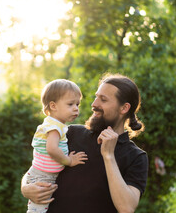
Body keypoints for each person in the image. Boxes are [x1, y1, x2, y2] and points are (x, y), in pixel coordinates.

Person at [21, 73, 148, 213]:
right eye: (96, 97)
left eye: (103, 100)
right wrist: (25, 188)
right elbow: (38, 167)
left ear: (124, 108)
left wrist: (109, 156)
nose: (94, 104)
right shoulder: (71, 134)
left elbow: (126, 208)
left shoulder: (136, 157)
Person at [24, 79, 88, 213]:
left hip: (40, 173)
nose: (76, 108)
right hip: (43, 177)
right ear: (53, 106)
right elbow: (52, 149)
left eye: (77, 104)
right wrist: (69, 161)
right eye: (70, 104)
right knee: (38, 210)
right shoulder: (55, 127)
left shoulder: (53, 125)